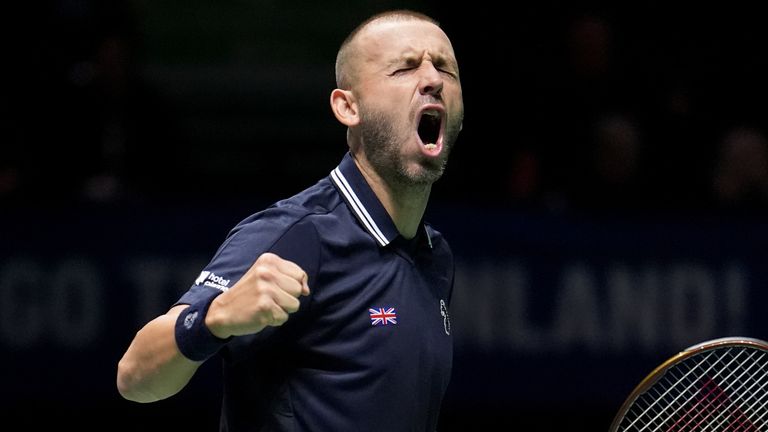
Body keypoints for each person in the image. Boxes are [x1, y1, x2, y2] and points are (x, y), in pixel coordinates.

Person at [116, 9, 464, 432]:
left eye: (445, 67)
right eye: (404, 68)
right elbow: (134, 377)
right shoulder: (299, 233)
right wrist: (216, 316)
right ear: (347, 106)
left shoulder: (435, 255)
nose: (433, 80)